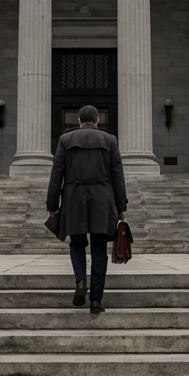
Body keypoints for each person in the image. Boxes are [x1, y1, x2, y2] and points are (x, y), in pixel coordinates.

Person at [47, 104, 127, 314]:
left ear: (79, 121)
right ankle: (96, 301)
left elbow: (57, 173)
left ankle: (81, 281)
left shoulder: (66, 140)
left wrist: (52, 204)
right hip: (103, 199)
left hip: (74, 199)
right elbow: (118, 175)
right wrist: (121, 207)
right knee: (99, 248)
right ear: (97, 121)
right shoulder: (110, 140)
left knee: (77, 243)